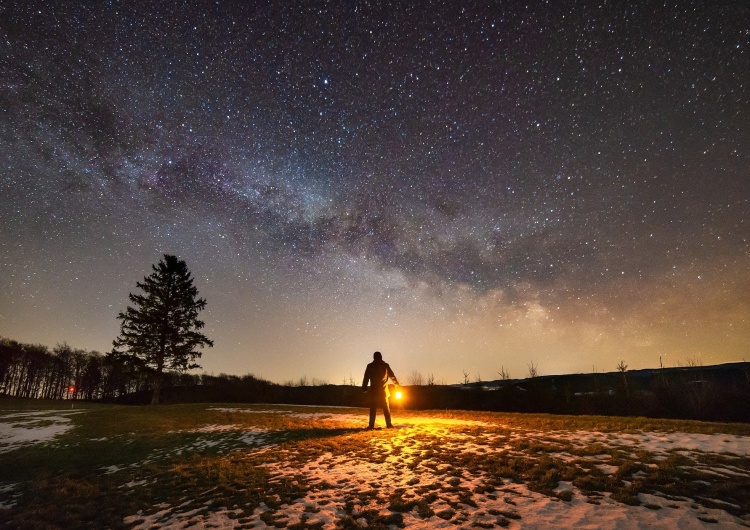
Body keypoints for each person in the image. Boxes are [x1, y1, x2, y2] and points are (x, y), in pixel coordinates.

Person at [362, 351, 400, 429]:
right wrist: (397, 386)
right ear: (381, 357)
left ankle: (371, 425)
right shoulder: (385, 366)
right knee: (386, 409)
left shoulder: (370, 366)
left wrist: (364, 388)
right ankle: (389, 424)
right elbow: (392, 376)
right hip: (383, 391)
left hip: (374, 391)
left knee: (373, 409)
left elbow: (366, 377)